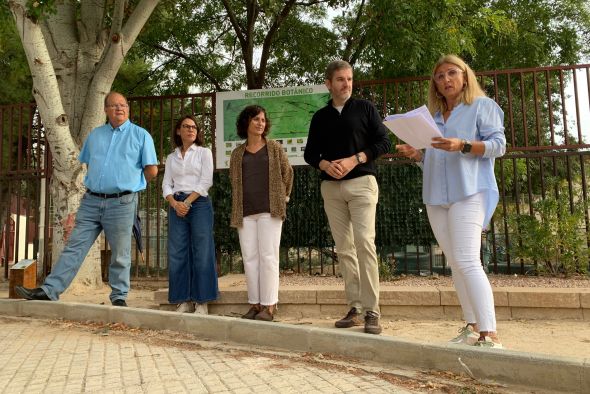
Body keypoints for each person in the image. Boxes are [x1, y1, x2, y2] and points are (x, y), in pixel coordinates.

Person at [396, 54, 506, 348]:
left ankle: (489, 332)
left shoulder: (482, 106)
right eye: (440, 76)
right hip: (435, 196)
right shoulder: (431, 119)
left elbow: (499, 145)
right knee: (456, 263)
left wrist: (464, 145)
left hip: (469, 192)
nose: (445, 79)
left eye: (451, 73)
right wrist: (417, 155)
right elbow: (435, 162)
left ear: (465, 76)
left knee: (468, 260)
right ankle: (471, 327)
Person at [16, 91, 158, 306]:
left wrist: (131, 184)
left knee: (120, 252)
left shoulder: (141, 136)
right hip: (91, 201)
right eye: (114, 105)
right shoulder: (95, 135)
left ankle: (119, 297)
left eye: (123, 105)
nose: (119, 108)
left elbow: (152, 170)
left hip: (122, 202)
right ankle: (49, 290)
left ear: (128, 109)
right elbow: (89, 164)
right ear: (105, 110)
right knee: (74, 246)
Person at [304, 60, 392, 335]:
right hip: (331, 188)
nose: (347, 84)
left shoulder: (365, 108)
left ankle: (372, 311)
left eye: (350, 79)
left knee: (365, 243)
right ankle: (354, 308)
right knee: (344, 249)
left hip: (363, 183)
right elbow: (310, 154)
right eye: (340, 79)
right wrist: (324, 165)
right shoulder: (319, 117)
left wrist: (356, 159)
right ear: (328, 84)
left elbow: (383, 142)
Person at [229, 105, 293, 322]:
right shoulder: (237, 153)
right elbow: (234, 182)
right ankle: (255, 304)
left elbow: (288, 173)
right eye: (256, 119)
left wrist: (282, 197)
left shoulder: (274, 148)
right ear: (246, 122)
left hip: (270, 210)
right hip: (244, 211)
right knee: (249, 258)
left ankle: (269, 305)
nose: (260, 123)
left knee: (268, 257)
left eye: (263, 120)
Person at [162, 115, 218, 314]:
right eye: (186, 126)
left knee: (202, 251)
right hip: (176, 203)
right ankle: (182, 299)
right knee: (177, 252)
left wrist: (186, 202)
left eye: (194, 127)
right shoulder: (171, 157)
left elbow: (206, 181)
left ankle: (202, 300)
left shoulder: (203, 152)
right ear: (178, 131)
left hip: (199, 203)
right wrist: (174, 203)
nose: (191, 130)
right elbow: (166, 183)